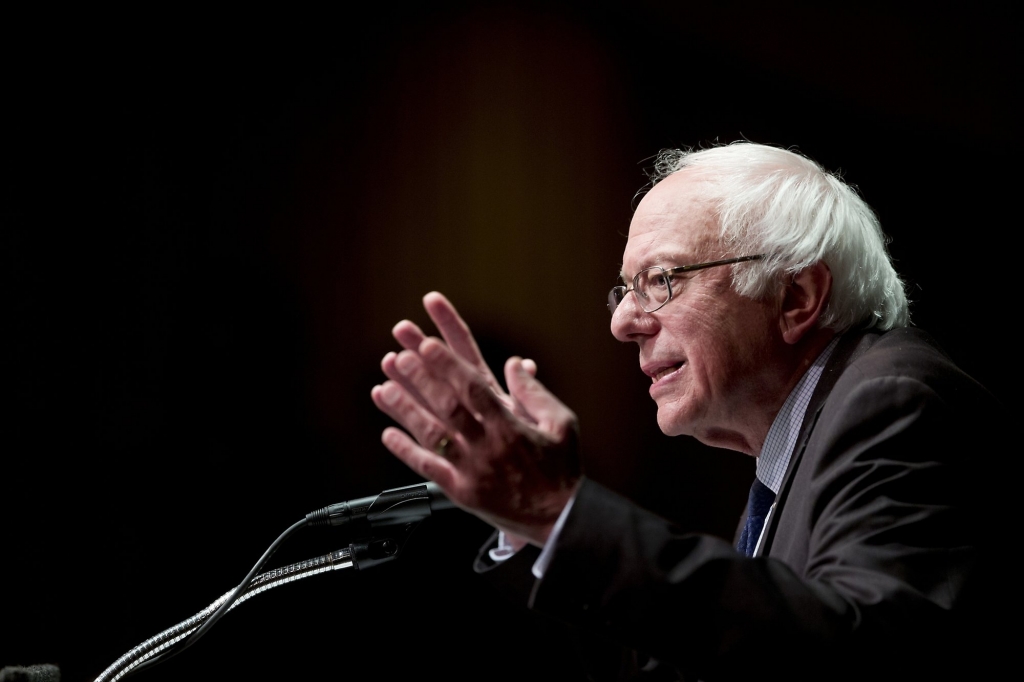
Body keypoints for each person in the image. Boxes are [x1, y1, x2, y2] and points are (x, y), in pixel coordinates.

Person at [368, 141, 1009, 681]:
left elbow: (852, 663)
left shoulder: (891, 402)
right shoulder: (803, 443)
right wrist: (535, 526)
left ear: (796, 297)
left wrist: (559, 512)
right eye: (624, 289)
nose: (623, 322)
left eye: (662, 280)